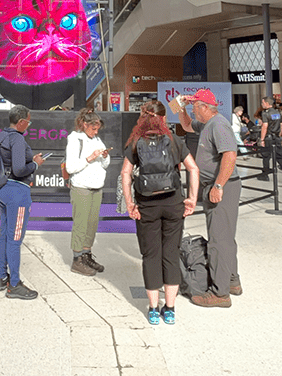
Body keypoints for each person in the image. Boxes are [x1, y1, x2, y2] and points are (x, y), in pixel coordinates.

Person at [121, 100, 199, 325]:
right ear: (164, 119)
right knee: (170, 254)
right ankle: (171, 309)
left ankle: (153, 309)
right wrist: (191, 199)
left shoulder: (137, 142)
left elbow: (126, 173)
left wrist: (129, 203)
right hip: (173, 203)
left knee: (151, 255)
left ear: (143, 119)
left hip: (147, 205)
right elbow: (193, 168)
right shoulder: (175, 141)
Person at [183, 88, 241, 308]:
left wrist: (218, 185)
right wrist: (184, 108)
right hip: (215, 188)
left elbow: (230, 154)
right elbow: (187, 125)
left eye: (196, 107)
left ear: (205, 108)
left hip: (222, 189)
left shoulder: (219, 125)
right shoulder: (207, 124)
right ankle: (232, 280)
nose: (194, 111)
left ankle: (220, 293)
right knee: (225, 237)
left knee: (218, 240)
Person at [0, 105, 48, 300]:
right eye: (29, 121)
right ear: (22, 122)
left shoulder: (2, 136)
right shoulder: (17, 138)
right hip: (17, 192)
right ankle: (14, 284)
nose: (29, 125)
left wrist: (28, 158)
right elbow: (18, 169)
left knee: (4, 235)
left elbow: (9, 162)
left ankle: (1, 277)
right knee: (15, 239)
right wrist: (35, 164)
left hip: (2, 189)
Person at [65, 109, 110, 277]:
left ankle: (86, 255)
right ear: (84, 125)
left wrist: (104, 156)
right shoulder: (75, 139)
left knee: (91, 224)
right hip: (81, 187)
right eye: (93, 128)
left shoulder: (97, 139)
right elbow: (70, 167)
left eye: (97, 129)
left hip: (96, 186)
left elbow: (105, 164)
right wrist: (89, 158)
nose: (96, 132)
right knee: (81, 223)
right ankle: (77, 260)